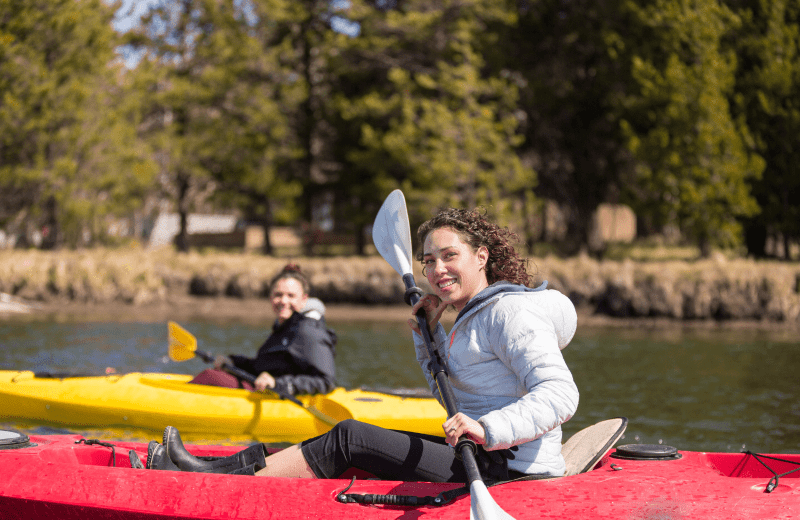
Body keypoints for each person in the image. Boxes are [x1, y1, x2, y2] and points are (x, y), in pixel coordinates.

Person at [146, 208, 579, 482]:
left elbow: (561, 394)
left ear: (481, 257)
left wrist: (487, 429)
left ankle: (219, 486)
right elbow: (454, 394)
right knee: (341, 436)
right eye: (428, 260)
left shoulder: (510, 314)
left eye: (450, 256)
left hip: (510, 468)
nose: (437, 269)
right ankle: (210, 469)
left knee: (351, 437)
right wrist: (429, 341)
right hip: (482, 454)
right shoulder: (469, 316)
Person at [188, 264, 337, 396]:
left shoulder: (308, 332)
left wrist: (280, 384)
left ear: (304, 300)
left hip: (281, 398)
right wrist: (233, 362)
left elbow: (325, 381)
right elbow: (263, 367)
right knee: (214, 375)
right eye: (278, 295)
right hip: (263, 393)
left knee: (212, 377)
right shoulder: (283, 329)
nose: (283, 301)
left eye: (291, 296)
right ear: (271, 297)